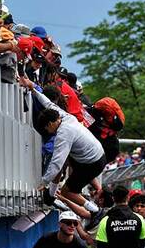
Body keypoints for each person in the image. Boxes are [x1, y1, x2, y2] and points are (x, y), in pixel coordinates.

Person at [24, 82, 106, 213]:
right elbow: (49, 105)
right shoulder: (63, 116)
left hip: (91, 164)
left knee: (67, 191)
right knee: (61, 165)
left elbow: (56, 162)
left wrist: (43, 182)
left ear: (51, 123)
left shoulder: (63, 134)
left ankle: (94, 210)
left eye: (46, 128)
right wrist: (33, 90)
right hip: (96, 154)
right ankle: (50, 195)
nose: (48, 131)